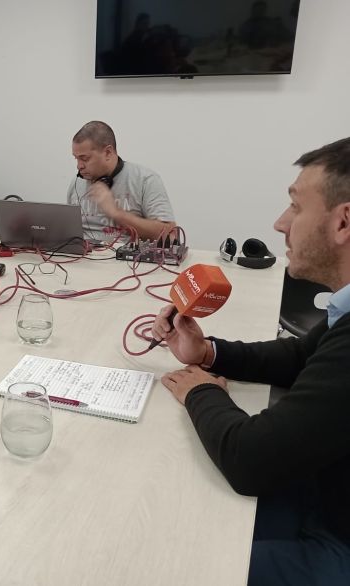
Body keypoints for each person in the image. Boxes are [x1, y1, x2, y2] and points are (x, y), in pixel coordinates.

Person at [153, 137, 350, 586]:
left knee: (166, 559)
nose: (280, 223)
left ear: (344, 222)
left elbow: (251, 460)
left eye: (296, 207)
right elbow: (302, 356)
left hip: (336, 537)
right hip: (325, 490)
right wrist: (206, 353)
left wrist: (200, 390)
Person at [67, 121, 176, 241]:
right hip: (82, 256)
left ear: (108, 152)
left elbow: (170, 235)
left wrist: (116, 212)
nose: (79, 166)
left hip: (123, 258)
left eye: (84, 158)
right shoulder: (77, 183)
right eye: (76, 158)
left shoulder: (145, 180)